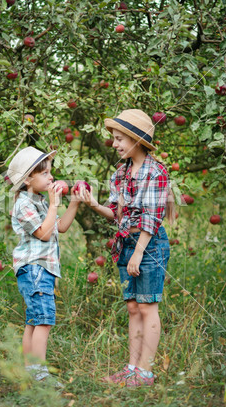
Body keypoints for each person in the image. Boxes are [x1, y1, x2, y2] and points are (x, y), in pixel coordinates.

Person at [75, 109, 175, 387]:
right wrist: (95, 205)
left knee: (147, 307)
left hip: (149, 243)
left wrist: (141, 251)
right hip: (125, 242)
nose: (115, 144)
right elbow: (118, 213)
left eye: (120, 139)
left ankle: (145, 372)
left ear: (136, 139)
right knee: (132, 307)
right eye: (114, 139)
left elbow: (152, 217)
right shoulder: (120, 173)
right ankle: (132, 368)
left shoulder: (156, 172)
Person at [7, 146, 81, 385]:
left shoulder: (39, 200)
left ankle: (30, 371)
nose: (52, 177)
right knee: (44, 320)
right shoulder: (23, 204)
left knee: (34, 320)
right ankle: (39, 374)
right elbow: (45, 234)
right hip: (34, 268)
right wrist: (53, 205)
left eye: (51, 172)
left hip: (43, 269)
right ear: (28, 179)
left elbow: (60, 227)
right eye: (45, 173)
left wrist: (74, 204)